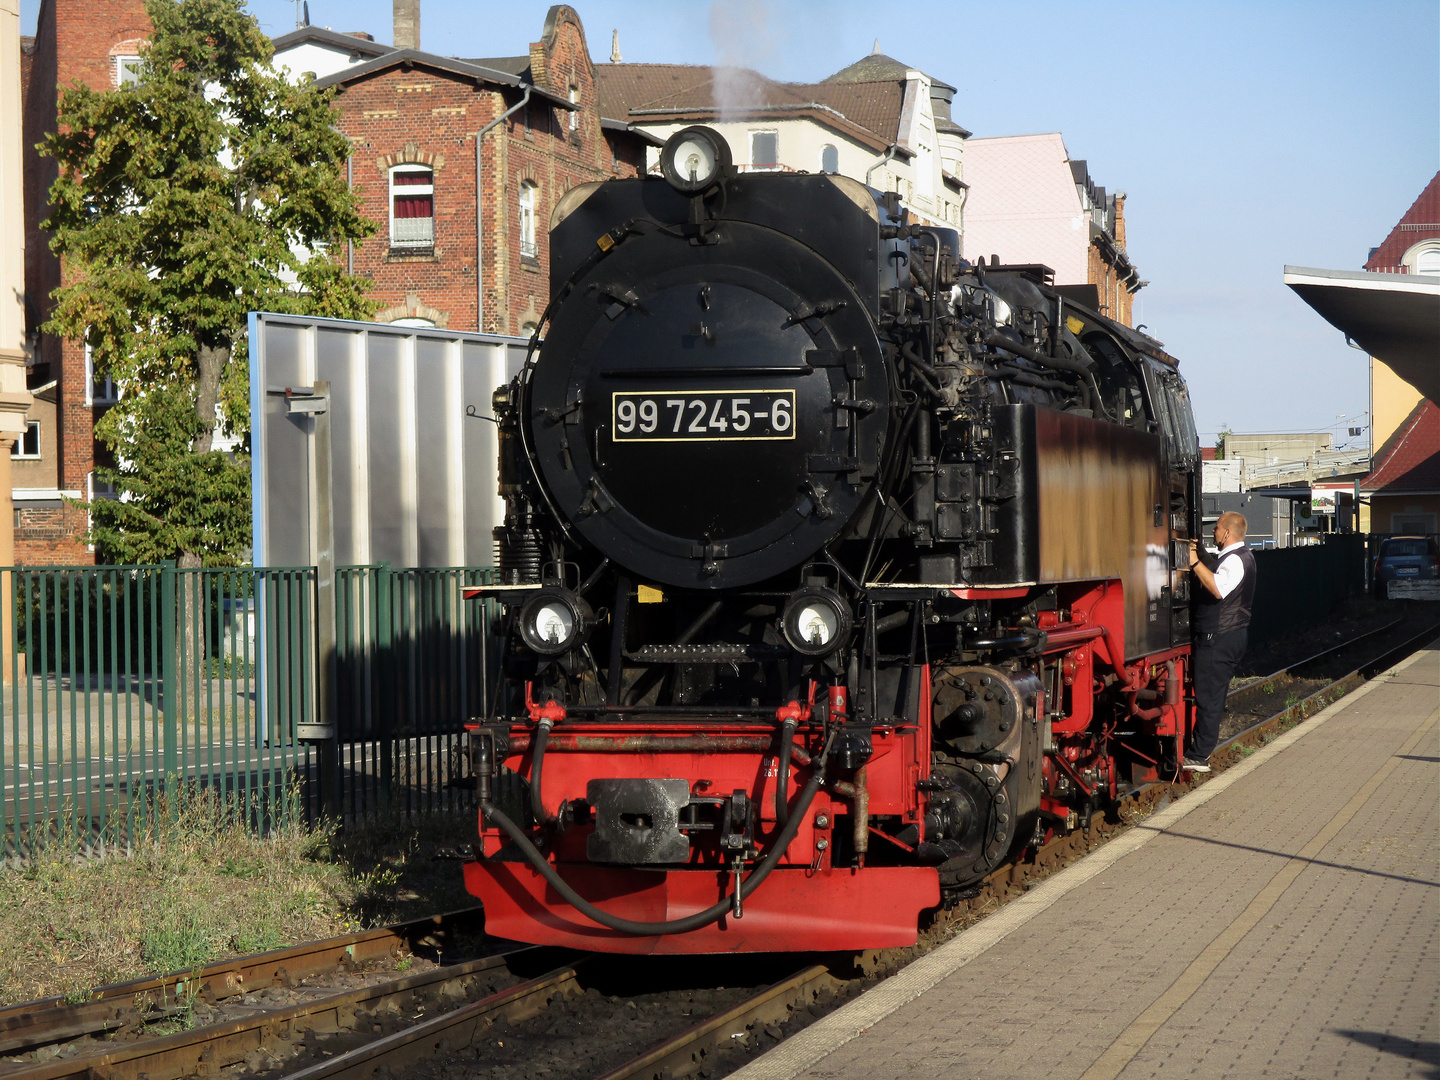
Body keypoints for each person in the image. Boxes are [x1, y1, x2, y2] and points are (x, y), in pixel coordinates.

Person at [1185, 511, 1257, 772]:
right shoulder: (1235, 558)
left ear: (1227, 532)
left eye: (1216, 529)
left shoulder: (1236, 561)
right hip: (1228, 636)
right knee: (1211, 694)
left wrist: (1194, 562)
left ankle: (1199, 755)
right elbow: (1215, 569)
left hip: (1219, 637)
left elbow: (1217, 587)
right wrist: (1202, 554)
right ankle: (1198, 751)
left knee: (1209, 696)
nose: (1213, 532)